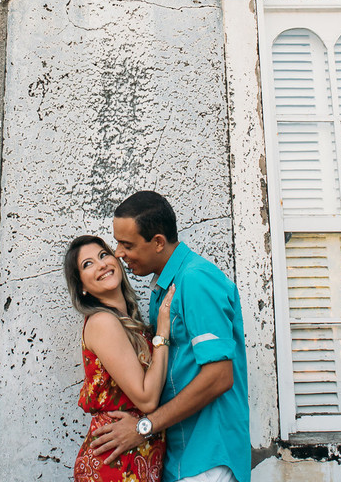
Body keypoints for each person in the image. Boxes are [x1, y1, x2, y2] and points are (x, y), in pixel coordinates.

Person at [91, 191, 250, 482]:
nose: (118, 253)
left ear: (159, 242)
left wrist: (142, 427)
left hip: (208, 459)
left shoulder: (196, 279)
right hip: (181, 457)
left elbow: (219, 376)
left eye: (127, 245)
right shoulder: (164, 287)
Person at [64, 234, 176, 482]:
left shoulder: (127, 323)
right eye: (88, 264)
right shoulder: (103, 323)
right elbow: (146, 399)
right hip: (116, 465)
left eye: (104, 255)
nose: (102, 264)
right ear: (81, 286)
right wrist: (163, 333)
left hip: (134, 457)